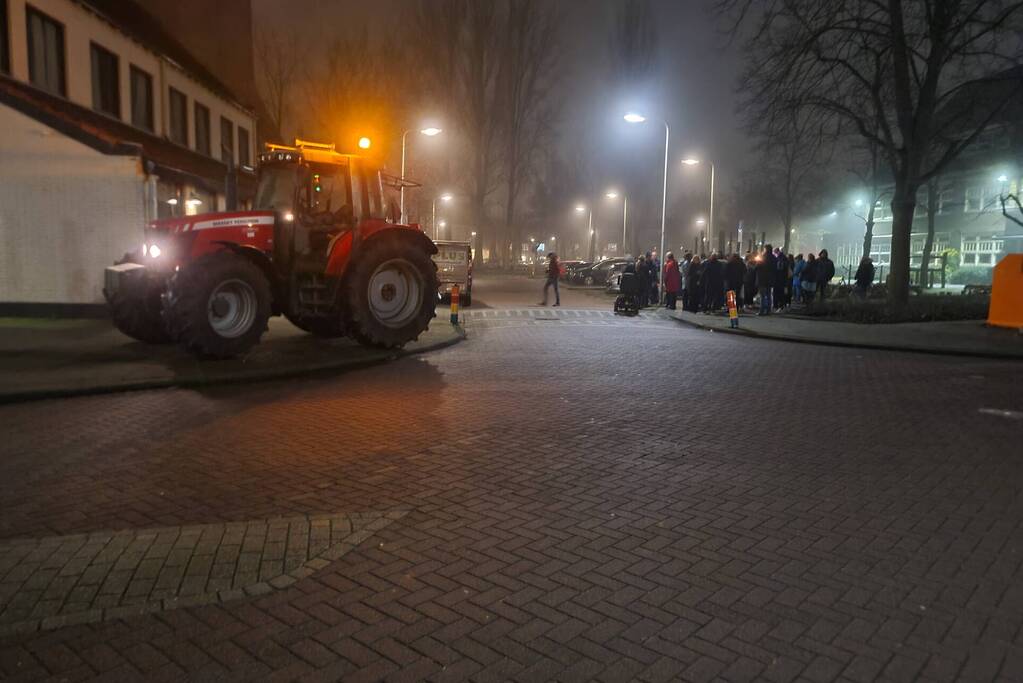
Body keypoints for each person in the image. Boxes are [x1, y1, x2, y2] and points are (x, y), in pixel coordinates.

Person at [756, 245, 775, 315]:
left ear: (766, 249)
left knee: (762, 296)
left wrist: (757, 263)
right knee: (769, 295)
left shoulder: (763, 257)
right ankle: (769, 310)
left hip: (762, 279)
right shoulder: (773, 258)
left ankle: (762, 310)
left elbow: (758, 267)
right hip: (770, 279)